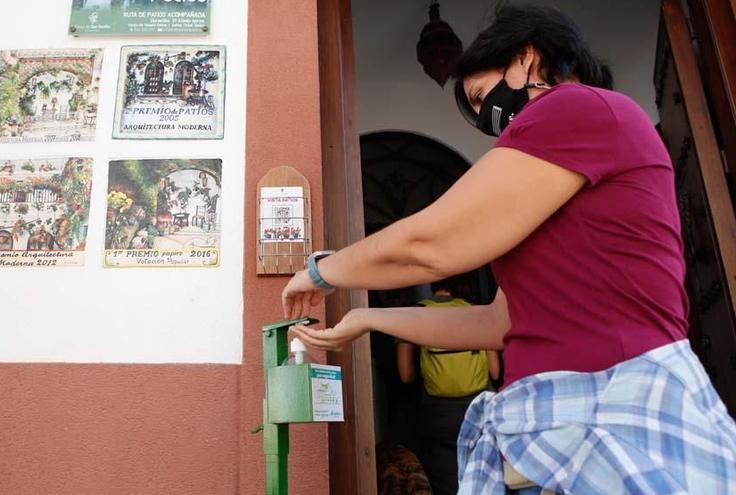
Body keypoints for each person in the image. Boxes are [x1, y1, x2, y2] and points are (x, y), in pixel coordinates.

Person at [281, 4, 736, 494]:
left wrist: (324, 270)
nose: (490, 122)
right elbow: (500, 323)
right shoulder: (561, 176)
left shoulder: (576, 106)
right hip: (572, 424)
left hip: (616, 411)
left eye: (482, 96)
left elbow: (433, 243)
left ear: (525, 58)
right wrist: (368, 320)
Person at [396, 277, 500, 495]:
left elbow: (405, 375)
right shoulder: (475, 312)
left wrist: (428, 371)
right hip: (479, 410)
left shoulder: (414, 315)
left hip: (437, 414)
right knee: (485, 477)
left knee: (446, 483)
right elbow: (495, 371)